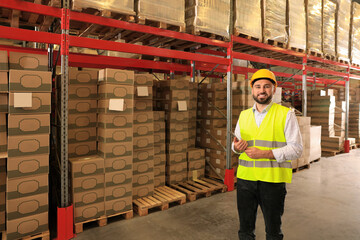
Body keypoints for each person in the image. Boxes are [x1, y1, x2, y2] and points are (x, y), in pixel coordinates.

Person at [232, 69, 303, 240]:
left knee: (273, 231)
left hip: (272, 181)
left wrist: (265, 153)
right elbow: (235, 146)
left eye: (266, 86)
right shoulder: (244, 115)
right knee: (245, 231)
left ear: (274, 89)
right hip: (245, 181)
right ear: (252, 90)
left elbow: (297, 148)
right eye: (257, 86)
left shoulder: (286, 114)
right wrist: (237, 147)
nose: (261, 90)